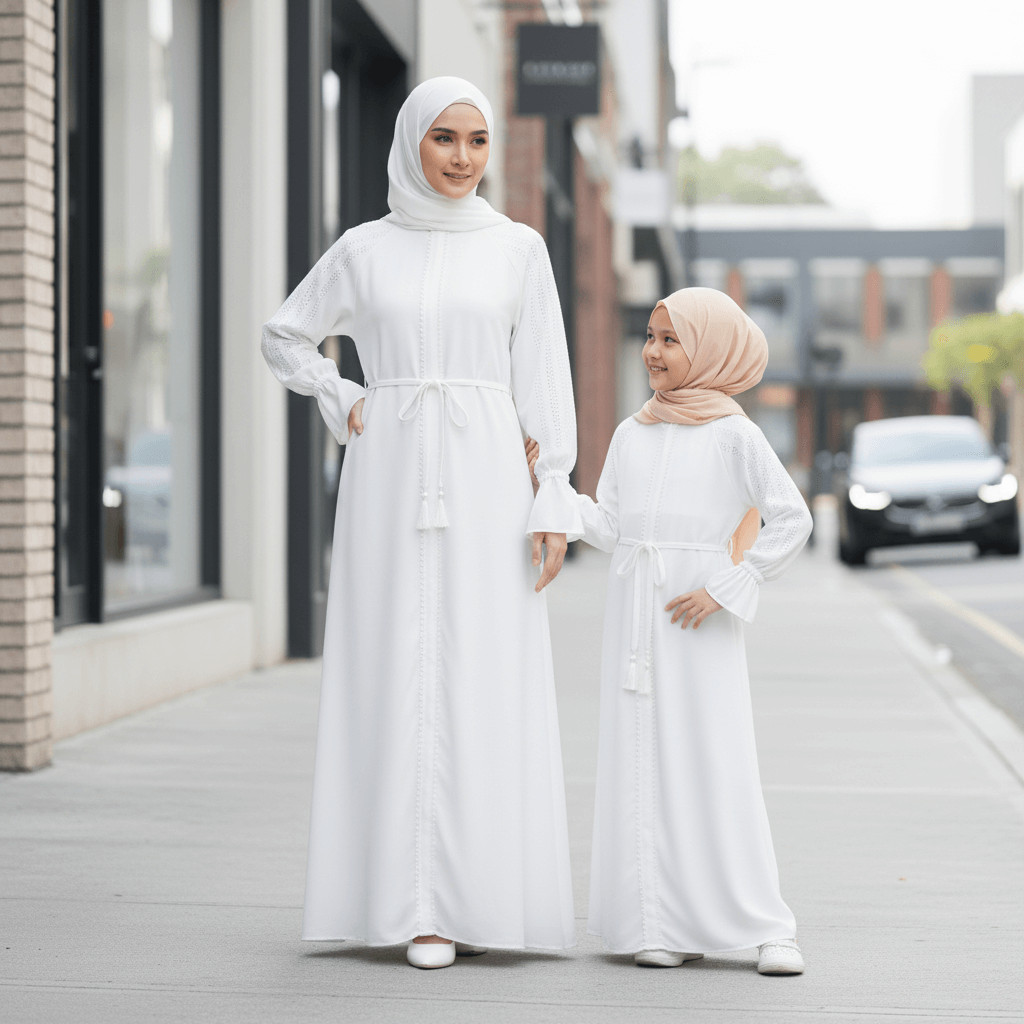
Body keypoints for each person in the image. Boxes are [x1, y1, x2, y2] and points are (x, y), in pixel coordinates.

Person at [261, 77, 582, 970]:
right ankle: (410, 905)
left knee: (485, 669)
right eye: (445, 138)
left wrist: (553, 490)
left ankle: (479, 897)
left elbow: (546, 377)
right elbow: (285, 335)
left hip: (488, 478)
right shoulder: (366, 249)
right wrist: (344, 392)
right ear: (412, 141)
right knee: (391, 667)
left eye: (478, 141)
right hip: (389, 476)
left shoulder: (518, 248)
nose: (462, 158)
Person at [531, 288, 812, 975]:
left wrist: (728, 585)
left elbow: (792, 518)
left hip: (697, 623)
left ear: (710, 348)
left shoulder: (736, 434)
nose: (653, 352)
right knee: (640, 764)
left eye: (670, 339)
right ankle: (655, 920)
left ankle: (766, 924)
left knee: (713, 763)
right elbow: (613, 526)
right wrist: (549, 486)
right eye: (651, 338)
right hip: (634, 619)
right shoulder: (634, 432)